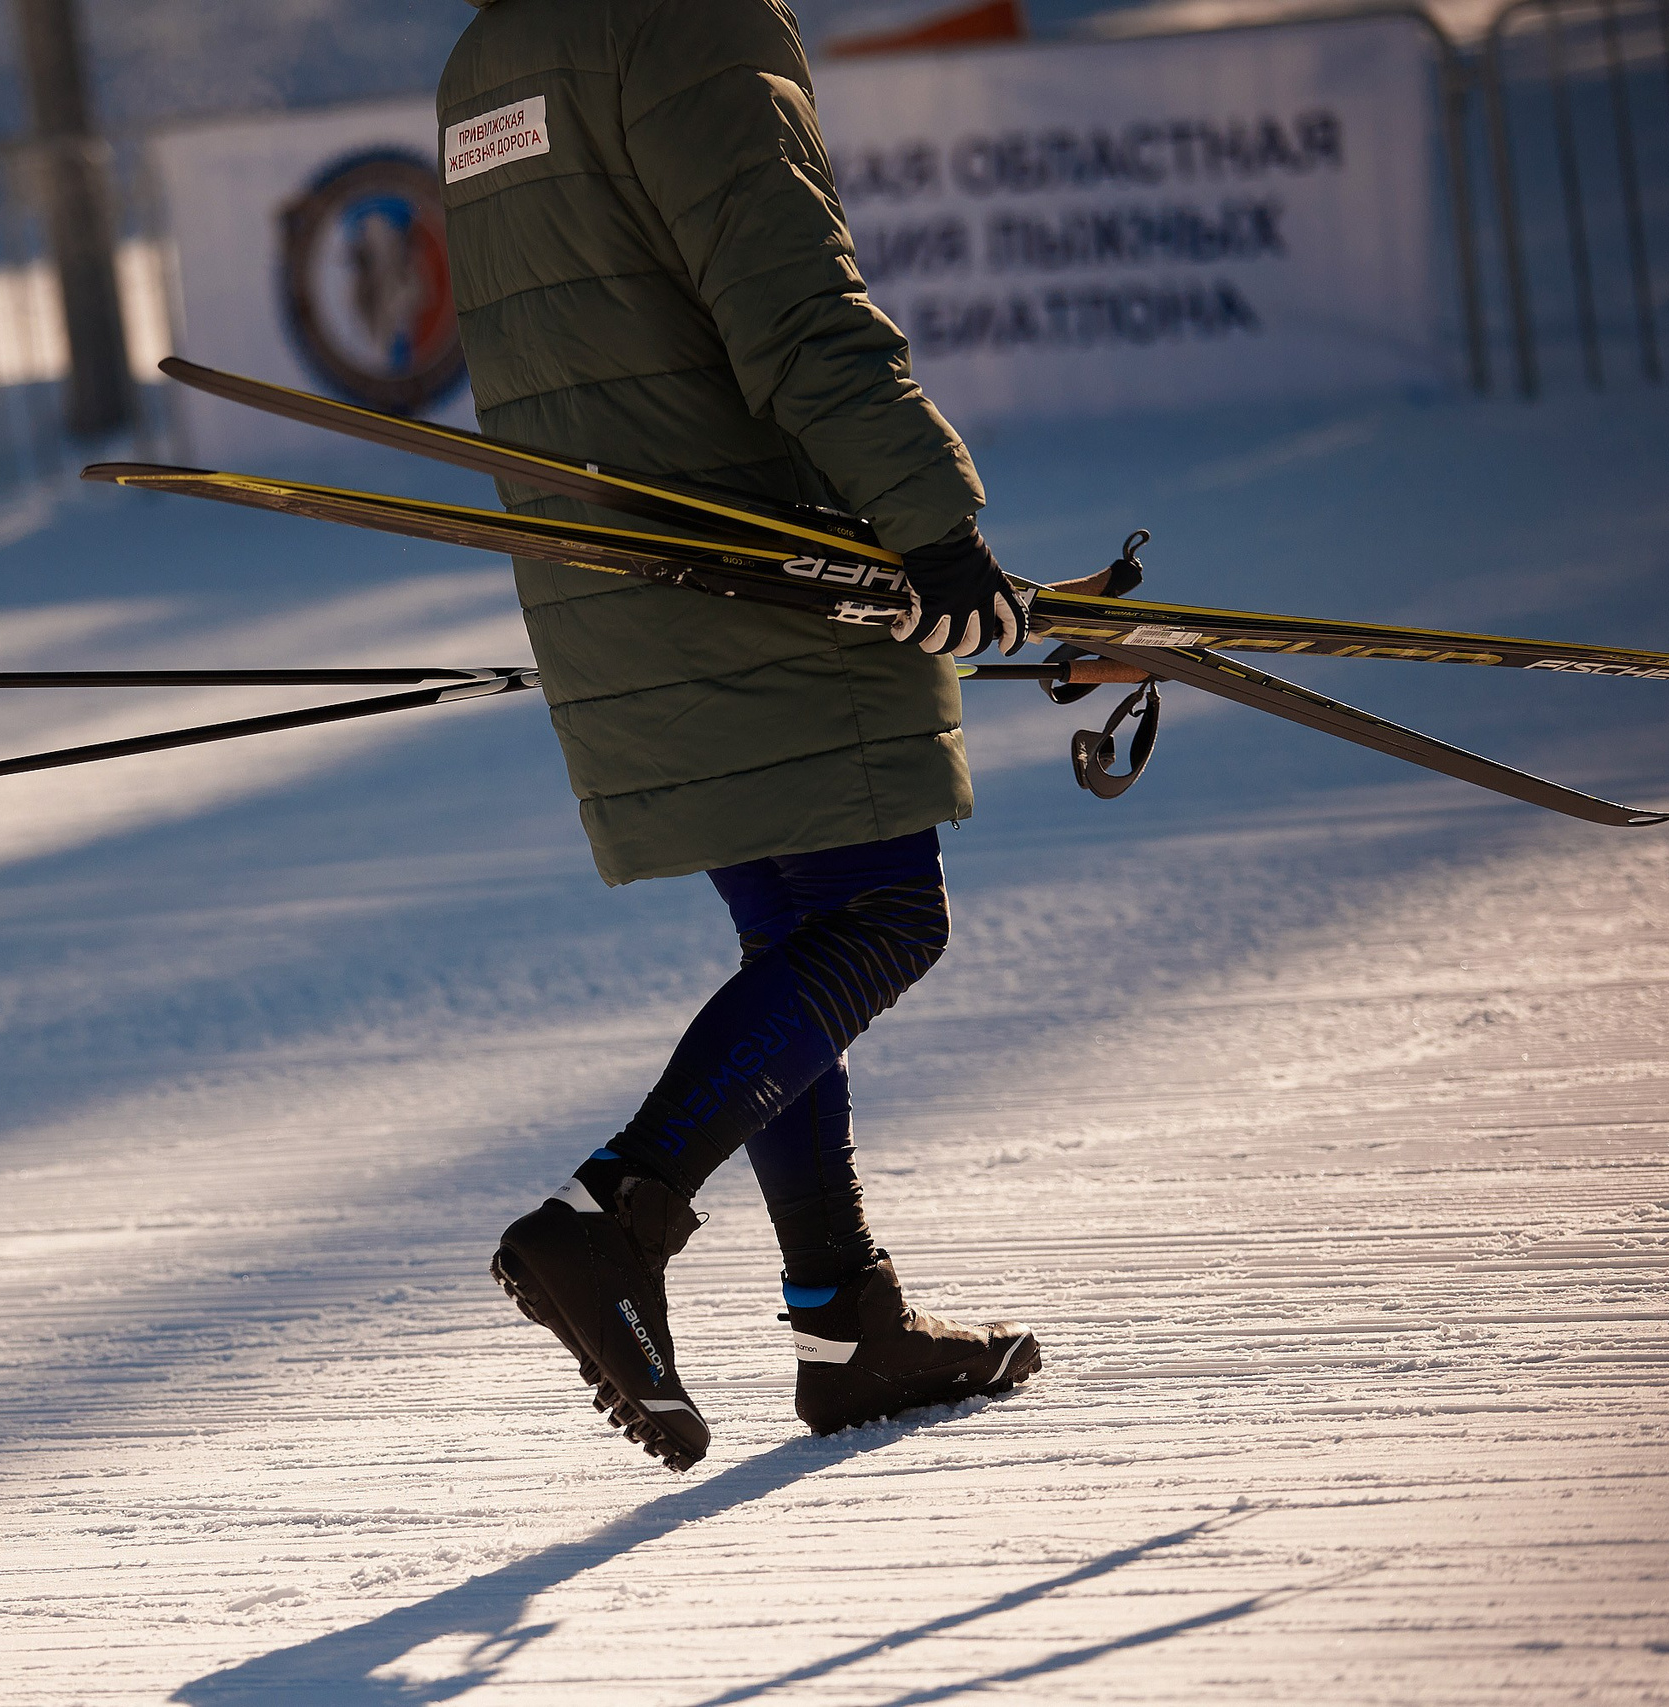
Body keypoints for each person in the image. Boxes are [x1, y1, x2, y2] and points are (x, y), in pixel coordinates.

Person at [439, 0, 1042, 1471]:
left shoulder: (495, 53)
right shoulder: (686, 24)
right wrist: (932, 528)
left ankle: (848, 1331)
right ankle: (611, 1220)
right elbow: (794, 310)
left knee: (800, 952)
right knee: (884, 918)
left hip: (622, 570)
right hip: (762, 562)